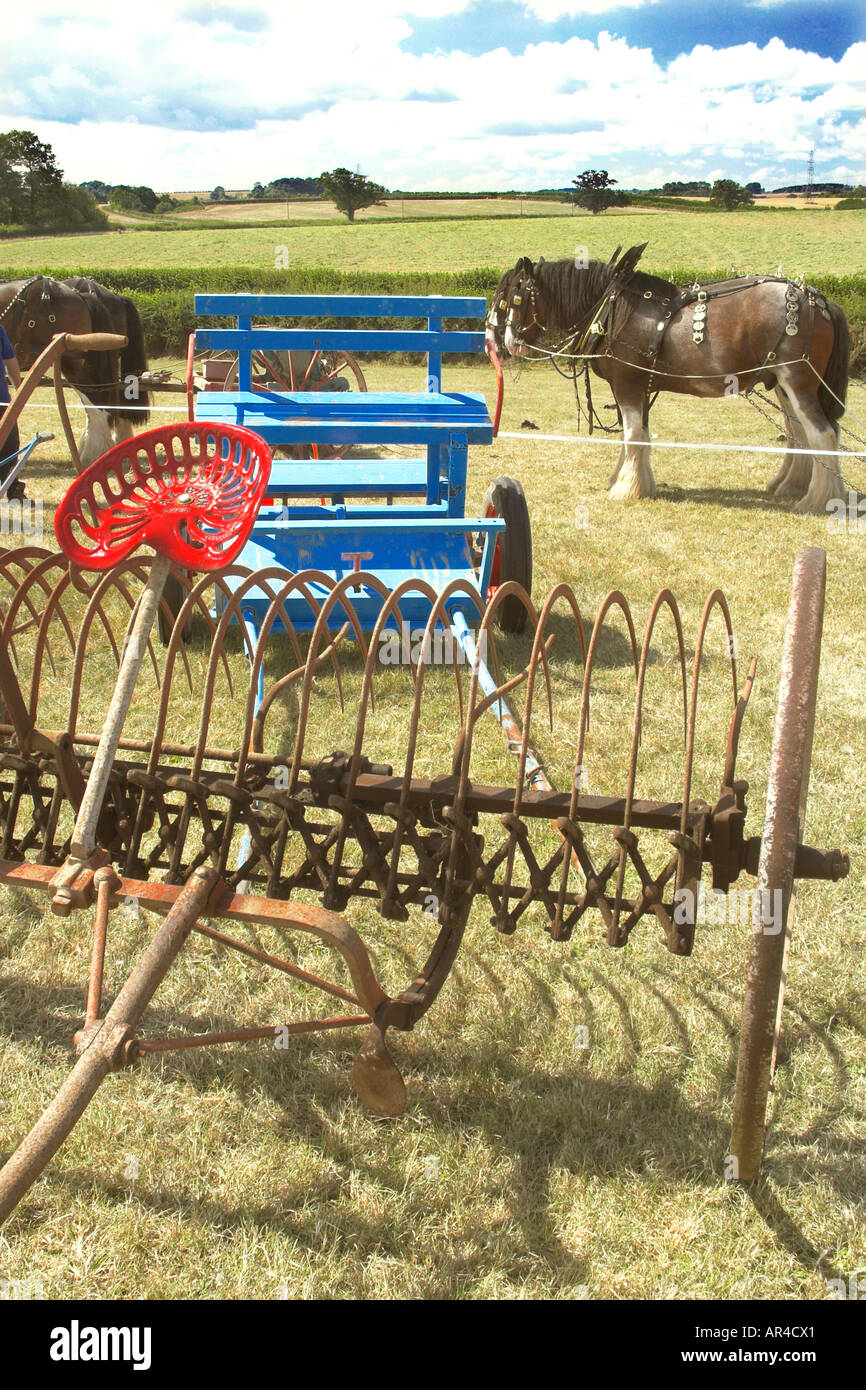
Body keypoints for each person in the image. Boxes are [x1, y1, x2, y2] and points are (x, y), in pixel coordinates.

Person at [0, 323, 24, 496]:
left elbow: (9, 359)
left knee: (10, 445)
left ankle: (12, 489)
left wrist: (20, 389)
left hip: (2, 401)